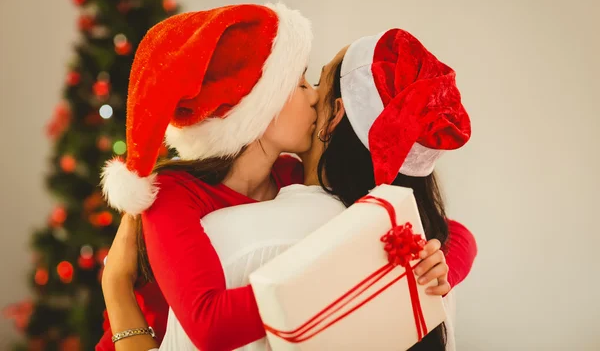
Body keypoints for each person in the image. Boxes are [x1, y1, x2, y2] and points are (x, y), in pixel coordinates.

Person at [100, 26, 476, 351]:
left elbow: (457, 233)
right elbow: (209, 325)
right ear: (259, 108)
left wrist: (430, 263)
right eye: (300, 84)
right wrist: (115, 281)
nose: (313, 95)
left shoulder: (290, 177)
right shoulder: (173, 192)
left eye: (315, 82)